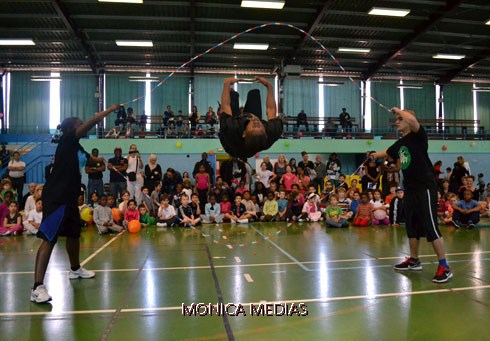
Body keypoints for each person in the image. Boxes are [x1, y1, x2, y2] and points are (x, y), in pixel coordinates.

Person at [371, 107, 452, 283]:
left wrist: (399, 110)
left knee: (430, 226)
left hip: (425, 187)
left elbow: (413, 120)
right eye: (397, 119)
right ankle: (414, 260)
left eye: (400, 119)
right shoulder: (400, 143)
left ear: (409, 120)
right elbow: (388, 152)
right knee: (412, 226)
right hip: (410, 188)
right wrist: (374, 154)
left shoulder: (418, 136)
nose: (397, 122)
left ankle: (444, 266)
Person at [218, 77, 283, 158]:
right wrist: (269, 86)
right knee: (254, 93)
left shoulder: (231, 128)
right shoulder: (273, 131)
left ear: (244, 133)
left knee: (232, 95)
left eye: (254, 125)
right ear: (266, 133)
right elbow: (271, 109)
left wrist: (226, 83)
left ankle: (232, 94)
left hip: (232, 145)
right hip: (248, 129)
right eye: (259, 125)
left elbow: (225, 105)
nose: (256, 121)